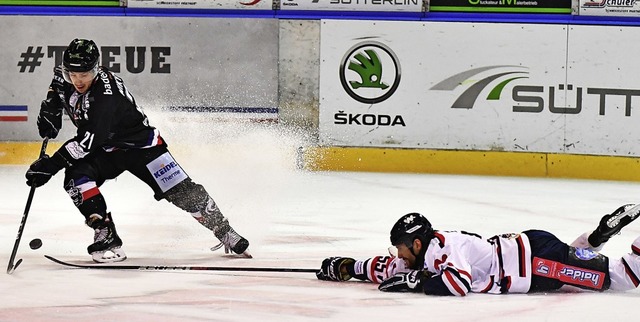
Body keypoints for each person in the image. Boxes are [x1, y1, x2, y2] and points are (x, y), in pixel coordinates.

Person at [25, 38, 250, 263]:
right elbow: (57, 91)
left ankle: (225, 231)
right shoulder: (63, 77)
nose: (77, 80)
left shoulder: (106, 94)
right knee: (76, 178)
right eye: (72, 75)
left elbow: (86, 142)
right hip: (107, 149)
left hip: (141, 146)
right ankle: (105, 232)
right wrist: (50, 112)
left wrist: (50, 166)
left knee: (182, 193)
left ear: (95, 69)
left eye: (83, 74)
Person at [316, 204, 640, 295]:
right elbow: (392, 269)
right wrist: (350, 268)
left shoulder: (443, 247)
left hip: (537, 263)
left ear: (416, 243)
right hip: (535, 254)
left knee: (622, 276)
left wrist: (417, 284)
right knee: (576, 267)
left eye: (400, 248)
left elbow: (458, 284)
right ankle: (598, 236)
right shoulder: (423, 253)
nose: (397, 255)